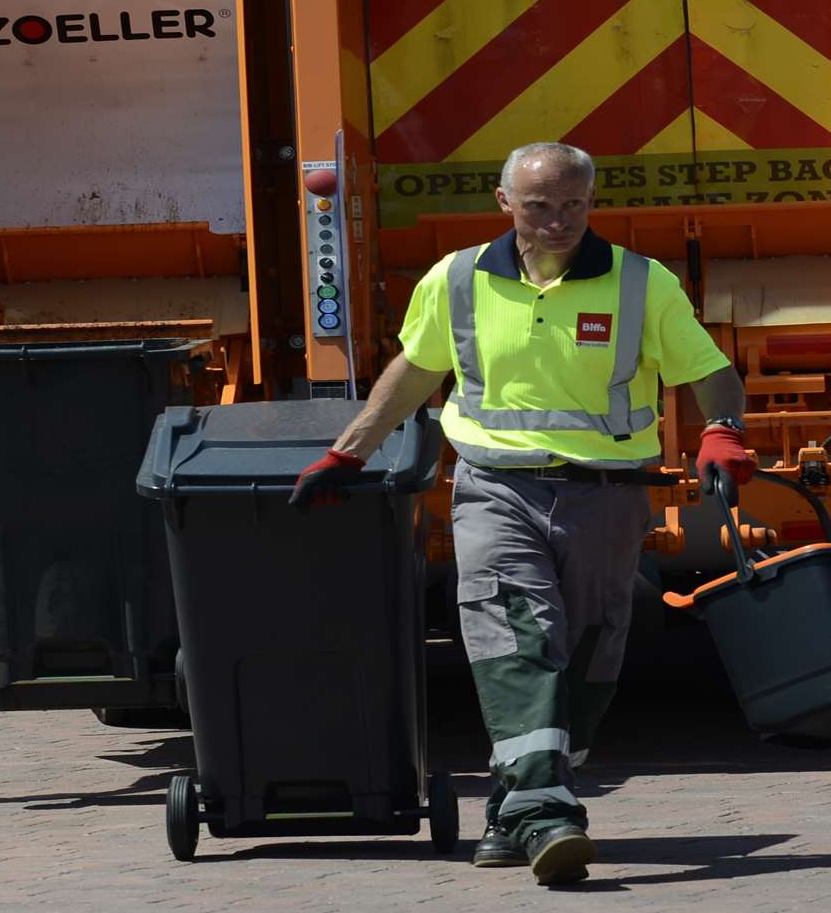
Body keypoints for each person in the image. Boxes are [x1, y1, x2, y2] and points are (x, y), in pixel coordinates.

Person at [289, 142, 753, 885]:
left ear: (591, 200)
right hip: (495, 488)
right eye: (540, 206)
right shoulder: (459, 279)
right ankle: (548, 813)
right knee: (516, 636)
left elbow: (711, 373)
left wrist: (722, 432)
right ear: (506, 203)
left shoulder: (641, 283)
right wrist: (349, 452)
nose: (559, 220)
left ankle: (513, 808)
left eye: (573, 204)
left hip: (607, 495)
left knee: (589, 661)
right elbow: (416, 370)